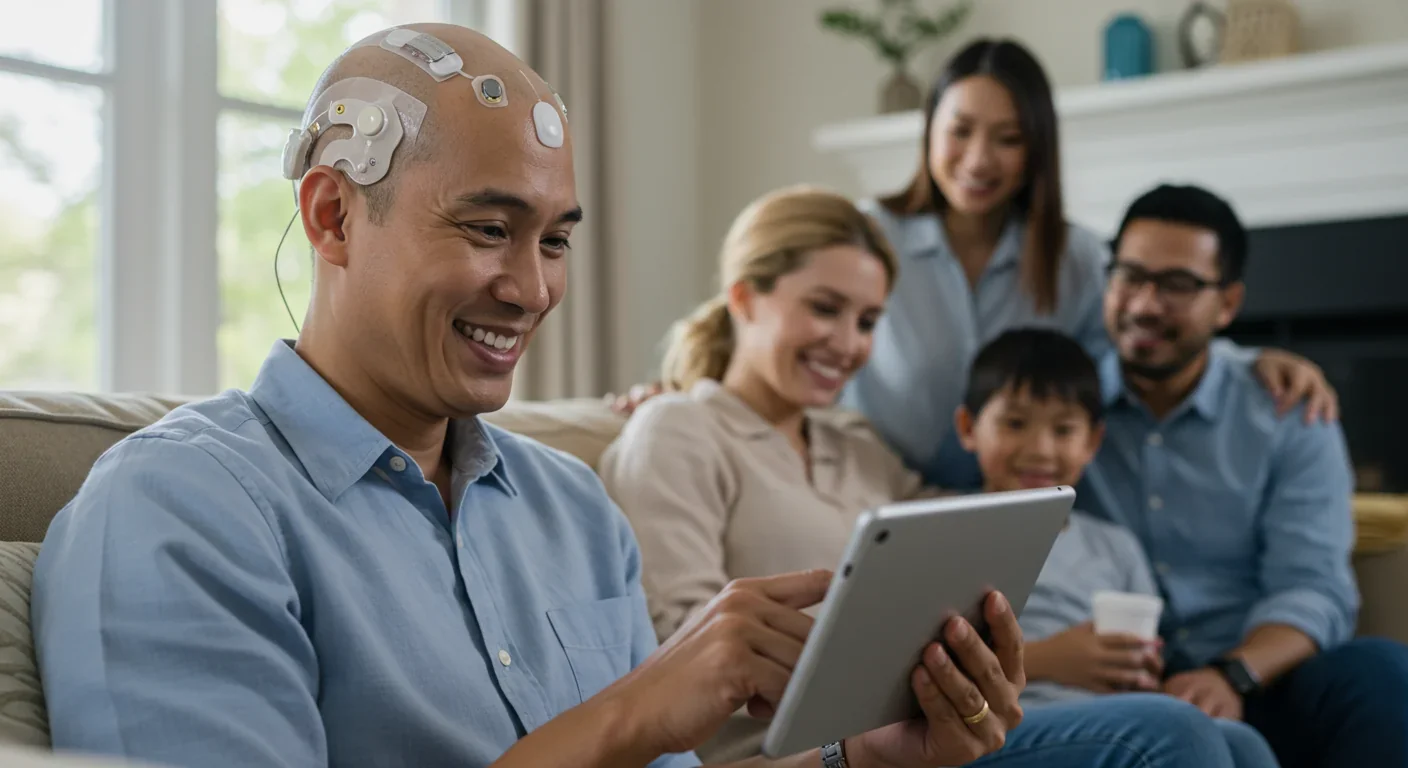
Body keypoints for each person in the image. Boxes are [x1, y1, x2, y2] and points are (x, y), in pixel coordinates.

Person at [32, 24, 1033, 768]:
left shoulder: (572, 511)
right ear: (333, 215)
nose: (534, 287)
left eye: (554, 238)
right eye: (486, 228)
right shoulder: (178, 511)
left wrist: (868, 759)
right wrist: (631, 715)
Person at [598, 184, 1265, 768]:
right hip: (793, 756)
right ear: (745, 298)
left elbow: (972, 519)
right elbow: (678, 649)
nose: (849, 344)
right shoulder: (679, 431)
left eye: (868, 322)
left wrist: (1248, 363)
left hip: (909, 738)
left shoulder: (854, 444)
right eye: (824, 309)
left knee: (1238, 742)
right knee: (1168, 732)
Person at [608, 38, 1338, 490]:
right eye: (960, 131)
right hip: (873, 498)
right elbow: (774, 329)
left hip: (1017, 505)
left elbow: (1128, 357)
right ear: (931, 133)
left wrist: (1249, 360)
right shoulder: (868, 239)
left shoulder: (1081, 260)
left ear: (1038, 149)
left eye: (1009, 138)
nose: (979, 160)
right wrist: (679, 395)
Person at [1078, 183, 1408, 768]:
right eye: (1130, 276)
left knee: (1383, 674)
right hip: (1111, 688)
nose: (1145, 304)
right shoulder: (1062, 409)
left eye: (1178, 285)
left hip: (1259, 677)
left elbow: (1316, 587)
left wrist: (1231, 675)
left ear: (1228, 304)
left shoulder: (1289, 413)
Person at [952, 327, 1278, 768]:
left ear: (1092, 442)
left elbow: (1145, 656)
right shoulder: (950, 531)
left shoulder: (1114, 546)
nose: (1040, 449)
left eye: (1064, 429)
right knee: (1175, 728)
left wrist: (1142, 671)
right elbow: (922, 663)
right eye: (1015, 424)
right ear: (969, 428)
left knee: (1243, 743)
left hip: (1116, 714)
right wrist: (1050, 660)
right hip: (995, 724)